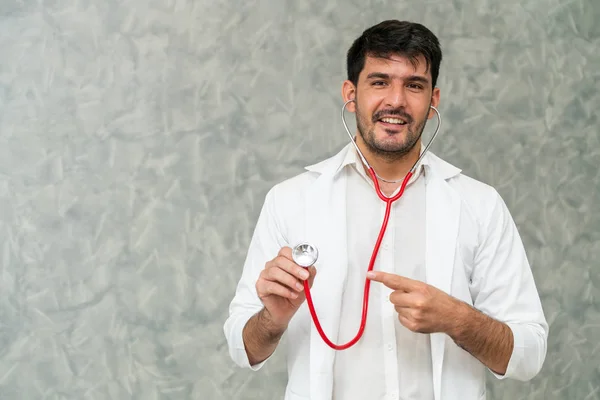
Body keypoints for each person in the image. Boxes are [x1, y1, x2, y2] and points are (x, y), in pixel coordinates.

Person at [223, 20, 548, 400]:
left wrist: (457, 319)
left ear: (434, 99)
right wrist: (272, 319)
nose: (396, 100)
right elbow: (242, 347)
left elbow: (529, 355)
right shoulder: (290, 200)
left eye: (414, 85)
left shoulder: (479, 204)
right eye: (379, 81)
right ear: (350, 93)